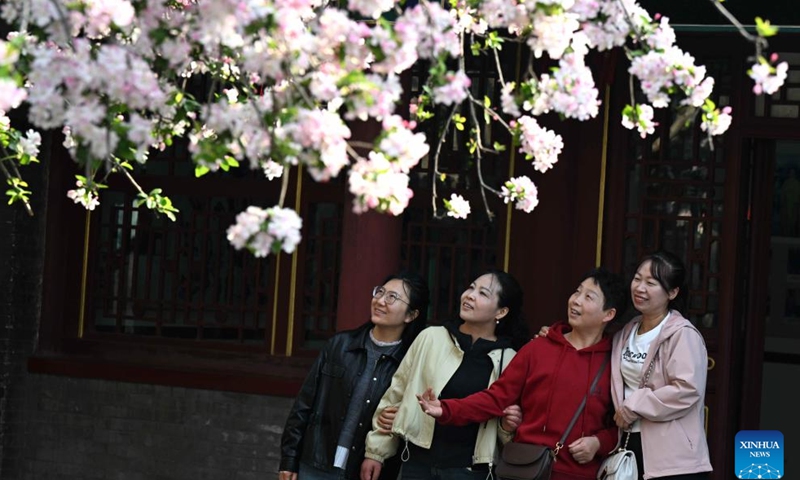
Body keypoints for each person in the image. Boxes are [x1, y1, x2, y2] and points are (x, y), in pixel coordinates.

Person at [418, 267, 627, 480]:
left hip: (579, 474)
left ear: (608, 314)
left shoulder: (614, 360)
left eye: (588, 297)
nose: (576, 300)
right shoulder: (538, 349)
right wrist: (446, 408)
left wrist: (599, 443)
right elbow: (496, 398)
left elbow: (622, 423)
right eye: (577, 292)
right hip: (525, 470)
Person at [360, 269, 531, 480]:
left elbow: (509, 432)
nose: (470, 295)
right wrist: (376, 453)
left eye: (483, 293)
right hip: (417, 464)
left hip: (469, 471)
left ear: (501, 312)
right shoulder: (431, 338)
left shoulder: (510, 359)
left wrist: (507, 427)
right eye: (470, 288)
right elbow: (396, 394)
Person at [279, 271, 430, 480]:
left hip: (365, 472)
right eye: (380, 292)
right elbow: (304, 406)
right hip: (316, 463)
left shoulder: (411, 364)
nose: (380, 301)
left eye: (392, 297)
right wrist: (289, 460)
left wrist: (404, 416)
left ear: (411, 315)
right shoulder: (340, 345)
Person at [611, 251, 711, 480]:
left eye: (651, 283)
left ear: (672, 293)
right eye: (637, 279)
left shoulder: (683, 335)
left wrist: (634, 405)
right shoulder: (627, 331)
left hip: (673, 458)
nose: (640, 288)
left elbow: (687, 390)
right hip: (629, 444)